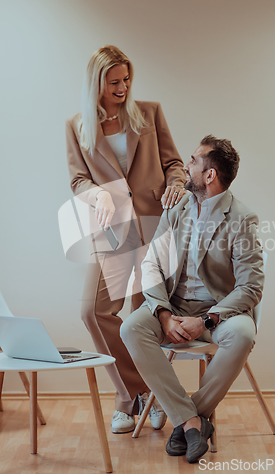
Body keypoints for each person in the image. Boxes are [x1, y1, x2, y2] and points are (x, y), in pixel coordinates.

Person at [120, 136, 265, 463]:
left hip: (218, 314)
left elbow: (250, 287)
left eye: (194, 160)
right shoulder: (177, 207)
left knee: (244, 333)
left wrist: (207, 319)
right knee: (131, 329)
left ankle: (187, 418)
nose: (186, 166)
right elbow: (152, 263)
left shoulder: (242, 218)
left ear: (210, 174)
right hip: (172, 307)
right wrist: (163, 314)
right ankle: (192, 422)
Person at [66, 45, 186, 434]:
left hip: (153, 224)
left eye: (127, 79)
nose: (123, 86)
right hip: (112, 229)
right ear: (97, 83)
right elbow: (77, 180)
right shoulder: (77, 126)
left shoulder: (148, 113)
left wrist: (178, 183)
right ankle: (137, 393)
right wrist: (97, 193)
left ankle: (140, 400)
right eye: (115, 81)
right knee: (94, 311)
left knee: (142, 315)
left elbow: (173, 162)